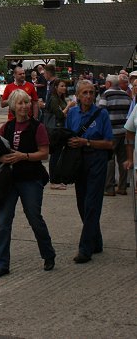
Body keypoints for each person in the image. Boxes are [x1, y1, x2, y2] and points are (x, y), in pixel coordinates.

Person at [0, 89, 55, 278]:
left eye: (27, 102)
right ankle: (2, 264)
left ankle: (48, 254)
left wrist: (24, 156)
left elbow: (44, 153)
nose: (24, 106)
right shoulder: (6, 127)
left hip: (31, 179)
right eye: (20, 103)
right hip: (9, 181)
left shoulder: (38, 127)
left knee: (34, 218)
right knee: (3, 222)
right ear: (12, 106)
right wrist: (1, 158)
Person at [66, 79, 113, 263]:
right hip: (79, 161)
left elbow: (109, 143)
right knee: (82, 204)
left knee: (92, 204)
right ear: (77, 95)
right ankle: (97, 241)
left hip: (97, 160)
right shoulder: (72, 113)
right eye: (84, 93)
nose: (88, 96)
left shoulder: (101, 114)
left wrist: (87, 142)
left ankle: (85, 249)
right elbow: (68, 135)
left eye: (91, 92)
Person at [98, 74, 131, 196]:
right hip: (124, 132)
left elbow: (101, 112)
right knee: (123, 159)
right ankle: (122, 187)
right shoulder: (126, 95)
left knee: (110, 160)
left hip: (110, 133)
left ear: (109, 84)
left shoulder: (106, 94)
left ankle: (109, 188)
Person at [46, 79, 77, 189]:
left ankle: (58, 178)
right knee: (55, 155)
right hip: (54, 129)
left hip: (60, 129)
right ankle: (53, 180)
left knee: (59, 155)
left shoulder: (60, 98)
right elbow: (59, 114)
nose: (64, 88)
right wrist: (69, 106)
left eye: (65, 86)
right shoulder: (54, 99)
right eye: (62, 86)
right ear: (56, 87)